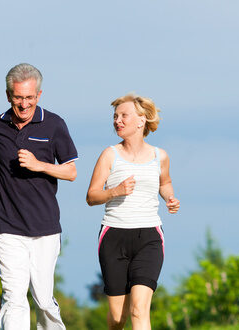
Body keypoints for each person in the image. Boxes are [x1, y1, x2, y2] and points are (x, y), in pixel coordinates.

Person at [0, 63, 78, 329]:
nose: (24, 105)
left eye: (30, 98)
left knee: (43, 299)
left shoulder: (54, 124)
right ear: (8, 95)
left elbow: (71, 172)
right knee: (14, 297)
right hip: (7, 226)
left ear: (39, 95)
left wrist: (40, 165)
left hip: (45, 227)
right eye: (19, 98)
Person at [86, 94, 180, 330]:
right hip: (114, 236)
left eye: (123, 115)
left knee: (139, 310)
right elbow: (91, 196)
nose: (118, 120)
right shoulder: (110, 155)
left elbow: (164, 183)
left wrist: (170, 198)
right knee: (118, 318)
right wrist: (115, 191)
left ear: (141, 120)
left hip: (149, 236)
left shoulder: (161, 156)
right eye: (115, 117)